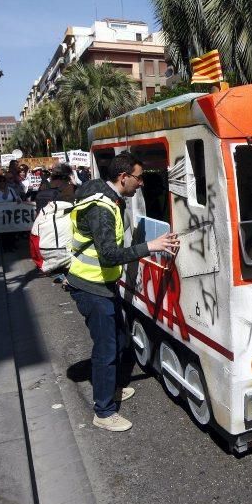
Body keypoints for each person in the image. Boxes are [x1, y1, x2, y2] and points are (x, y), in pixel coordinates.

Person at [67, 151, 179, 432]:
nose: (141, 184)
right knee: (105, 349)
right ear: (123, 177)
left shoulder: (102, 192)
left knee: (117, 337)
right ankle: (104, 411)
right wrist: (150, 247)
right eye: (138, 178)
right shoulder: (103, 209)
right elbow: (108, 255)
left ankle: (113, 386)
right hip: (91, 286)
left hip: (102, 284)